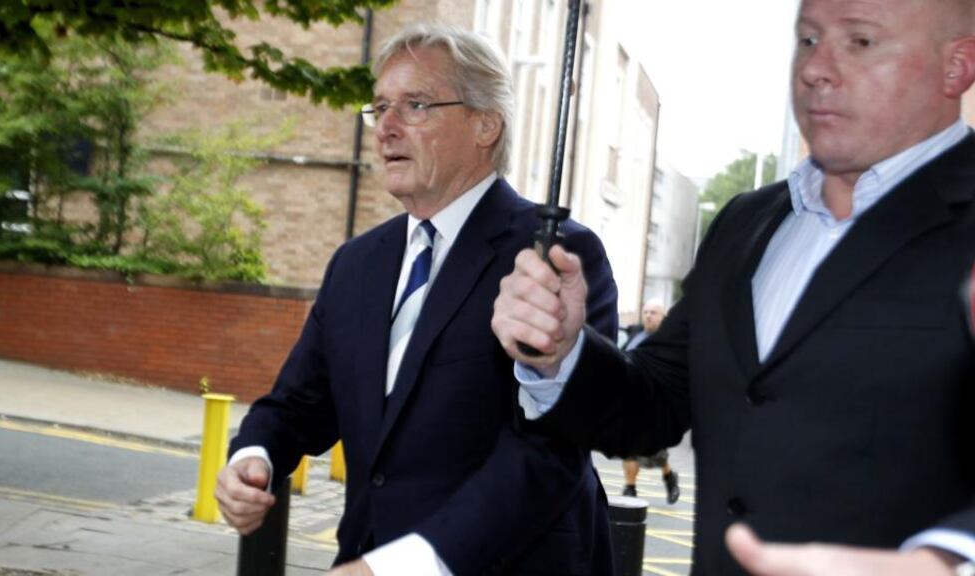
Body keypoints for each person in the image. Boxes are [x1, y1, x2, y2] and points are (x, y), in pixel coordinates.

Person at [491, 0, 975, 574]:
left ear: (956, 66)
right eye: (808, 40)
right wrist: (562, 351)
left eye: (860, 42)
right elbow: (657, 402)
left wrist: (952, 558)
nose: (814, 68)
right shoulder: (746, 223)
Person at [214, 24, 620, 576]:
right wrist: (253, 458)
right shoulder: (357, 264)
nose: (385, 127)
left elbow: (550, 452)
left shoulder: (556, 258)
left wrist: (404, 566)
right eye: (379, 106)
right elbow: (299, 403)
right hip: (363, 555)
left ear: (485, 125)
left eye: (415, 105)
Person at [619, 299, 679, 504]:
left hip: (656, 406)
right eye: (645, 311)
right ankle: (630, 488)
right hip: (631, 402)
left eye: (654, 312)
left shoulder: (669, 341)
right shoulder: (635, 335)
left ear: (663, 317)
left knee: (656, 452)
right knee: (629, 447)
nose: (648, 316)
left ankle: (669, 476)